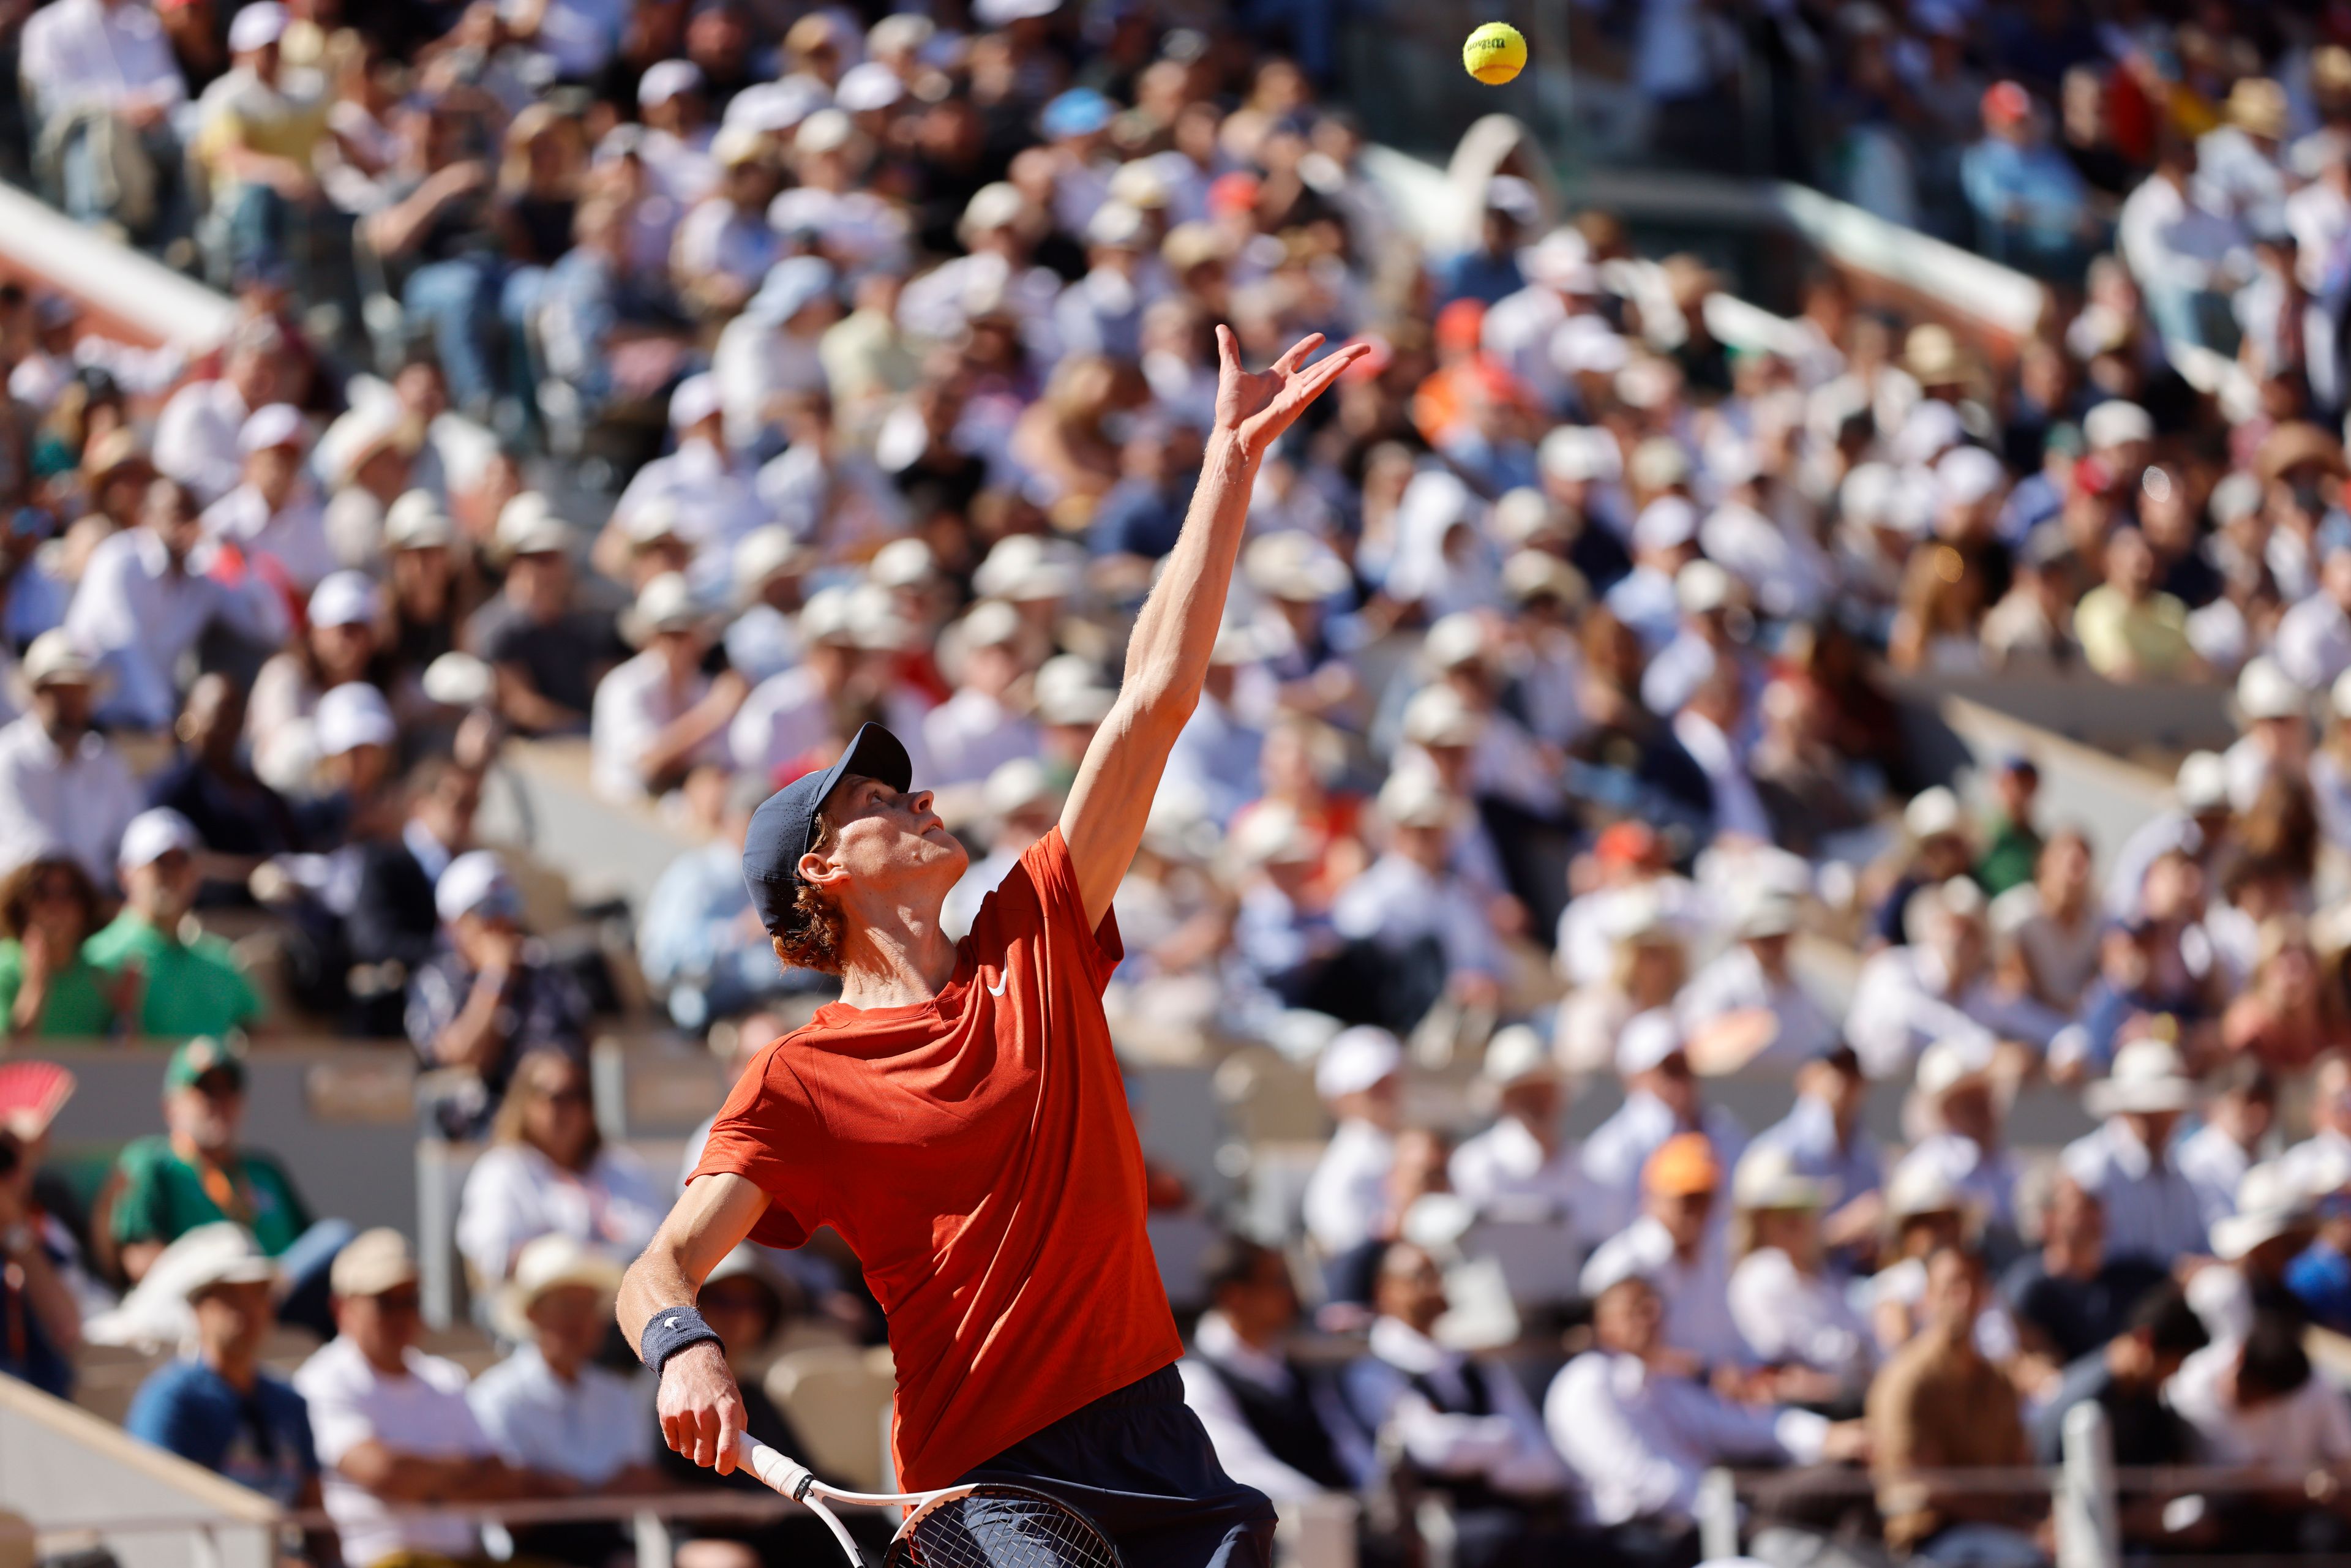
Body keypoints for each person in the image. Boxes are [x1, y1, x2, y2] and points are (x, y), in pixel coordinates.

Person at [620, 328, 1365, 1568]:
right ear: (820, 872)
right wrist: (682, 1343)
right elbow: (657, 1264)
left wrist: (1227, 467)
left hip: (1158, 1438)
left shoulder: (1037, 929)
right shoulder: (801, 1079)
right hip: (990, 1485)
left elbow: (1150, 696)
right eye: (875, 799)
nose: (916, 799)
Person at [1546, 1271, 1858, 1558]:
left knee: (1845, 1481)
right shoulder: (1587, 1383)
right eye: (1636, 1310)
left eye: (1655, 1308)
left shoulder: (1657, 1380)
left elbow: (1734, 1427)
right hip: (1639, 1540)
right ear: (1604, 1324)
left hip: (1710, 1510)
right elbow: (1645, 1481)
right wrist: (1730, 1515)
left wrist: (1824, 1436)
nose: (1651, 1318)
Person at [293, 1229, 557, 1568]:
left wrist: (424, 1490)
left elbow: (502, 1480)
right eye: (385, 1301)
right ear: (342, 1308)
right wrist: (463, 1473)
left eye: (412, 1300)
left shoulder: (445, 1377)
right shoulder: (322, 1380)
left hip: (462, 1558)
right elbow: (384, 1473)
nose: (402, 1314)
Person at [1339, 1240, 1575, 1568]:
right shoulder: (1374, 1371)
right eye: (1419, 1277)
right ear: (1385, 1291)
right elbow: (1436, 1449)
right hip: (1439, 1537)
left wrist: (1481, 1455)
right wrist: (1505, 1441)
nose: (1434, 1287)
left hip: (1509, 1527)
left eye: (1437, 1275)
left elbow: (1546, 1464)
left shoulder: (1475, 1367)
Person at [108, 1035, 348, 1330]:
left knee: (346, 1253)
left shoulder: (263, 1169)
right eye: (205, 1090)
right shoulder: (154, 1164)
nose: (218, 1103)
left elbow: (308, 1245)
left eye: (228, 1090)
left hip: (283, 1303)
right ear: (171, 1107)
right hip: (209, 1306)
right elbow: (140, 1262)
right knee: (337, 1235)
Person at [468, 1234, 664, 1566]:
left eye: (589, 1307)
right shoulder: (496, 1395)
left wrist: (565, 1491)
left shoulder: (617, 1395)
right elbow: (510, 1495)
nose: (580, 1321)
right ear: (533, 1314)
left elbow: (638, 1479)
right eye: (566, 1306)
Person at [1866, 1247, 2044, 1564]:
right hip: (1931, 1539)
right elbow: (1923, 1485)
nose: (1963, 1298)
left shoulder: (1998, 1382)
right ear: (1929, 1297)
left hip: (1999, 1528)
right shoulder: (1906, 1380)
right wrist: (2019, 1527)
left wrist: (2045, 1521)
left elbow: (2021, 1469)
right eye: (1952, 1286)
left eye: (1972, 1284)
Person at [124, 1224, 319, 1507]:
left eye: (259, 1292)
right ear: (198, 1308)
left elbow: (314, 1514)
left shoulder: (289, 1402)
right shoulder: (171, 1401)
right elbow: (163, 1509)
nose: (249, 1308)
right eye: (230, 1294)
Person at [404, 850, 593, 1137]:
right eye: (489, 909)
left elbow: (575, 1052)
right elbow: (463, 1057)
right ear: (455, 923)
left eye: (509, 904)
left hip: (549, 1134)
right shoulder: (438, 978)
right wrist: (495, 980)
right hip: (475, 1135)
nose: (503, 920)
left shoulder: (544, 972)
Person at [455, 1047, 664, 1293]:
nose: (565, 1109)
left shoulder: (622, 1166)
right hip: (532, 1307)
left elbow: (658, 1243)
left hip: (620, 1302)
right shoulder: (502, 1169)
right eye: (553, 1097)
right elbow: (491, 1257)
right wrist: (564, 1260)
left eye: (575, 1095)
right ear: (525, 1104)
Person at [1176, 1236, 1360, 1504]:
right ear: (1234, 1297)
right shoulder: (1195, 1380)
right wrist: (1332, 1505)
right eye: (1277, 1282)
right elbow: (1245, 1469)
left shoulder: (1294, 1367)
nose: (1291, 1294)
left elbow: (1343, 1441)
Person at [2166, 1312, 2351, 1551]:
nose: (2252, 1403)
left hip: (2305, 1516)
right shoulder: (2192, 1385)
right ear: (2240, 1357)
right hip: (2224, 1516)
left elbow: (2344, 1462)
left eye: (2264, 1398)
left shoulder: (2313, 1384)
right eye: (2250, 1391)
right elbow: (2258, 1490)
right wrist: (2320, 1492)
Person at [84, 809, 264, 1040]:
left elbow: (265, 1042)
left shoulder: (222, 963)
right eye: (159, 863)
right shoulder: (96, 960)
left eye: (180, 862)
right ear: (125, 874)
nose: (170, 874)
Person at [1580, 1133, 1746, 1372]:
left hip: (1707, 1400)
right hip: (1640, 1399)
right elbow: (1607, 1349)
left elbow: (1728, 1342)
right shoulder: (1620, 1264)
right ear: (1652, 1198)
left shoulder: (1718, 1256)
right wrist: (1704, 1372)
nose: (1694, 1210)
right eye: (1684, 1198)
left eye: (1704, 1198)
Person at [1578, 1010, 1747, 1244]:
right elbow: (1607, 1236)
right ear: (1633, 1077)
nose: (1679, 1079)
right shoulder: (1611, 1150)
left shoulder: (1725, 1129)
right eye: (1667, 1068)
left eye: (1684, 1065)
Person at [1726, 1146, 1873, 1405]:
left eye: (1803, 1208)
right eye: (1783, 1213)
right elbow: (1792, 1363)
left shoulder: (1826, 1275)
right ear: (1760, 1222)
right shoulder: (1760, 1275)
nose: (1798, 1222)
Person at [0, 632, 141, 887]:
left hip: (98, 905)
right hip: (26, 907)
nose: (72, 704)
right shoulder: (8, 758)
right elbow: (32, 851)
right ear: (36, 693)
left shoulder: (106, 760)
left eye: (80, 692)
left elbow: (131, 840)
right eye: (62, 692)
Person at [2059, 1036, 2211, 1266]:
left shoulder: (2182, 1175)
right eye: (2151, 1112)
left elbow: (2197, 1246)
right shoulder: (2089, 1168)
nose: (2162, 1121)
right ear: (2127, 1110)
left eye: (2167, 1111)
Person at [2026, 1286, 2206, 1472]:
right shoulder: (2084, 1401)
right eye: (2175, 1362)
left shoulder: (2143, 1393)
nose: (2175, 1372)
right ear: (2146, 1342)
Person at [1300, 1025, 1402, 1311]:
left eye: (1390, 1082)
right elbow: (1345, 1248)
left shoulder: (1398, 1147)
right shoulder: (1344, 1166)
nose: (1387, 1094)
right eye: (1373, 1087)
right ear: (1340, 1097)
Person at [1447, 1024, 1582, 1223]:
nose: (1535, 1102)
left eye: (1542, 1090)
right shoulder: (1477, 1164)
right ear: (1504, 1101)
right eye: (1523, 1093)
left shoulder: (1584, 1165)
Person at [0, 853, 116, 1039]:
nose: (55, 906)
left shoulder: (98, 978)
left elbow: (120, 1057)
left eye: (68, 894)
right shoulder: (4, 968)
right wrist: (35, 985)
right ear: (21, 906)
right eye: (41, 893)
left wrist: (127, 1014)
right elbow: (7, 1057)